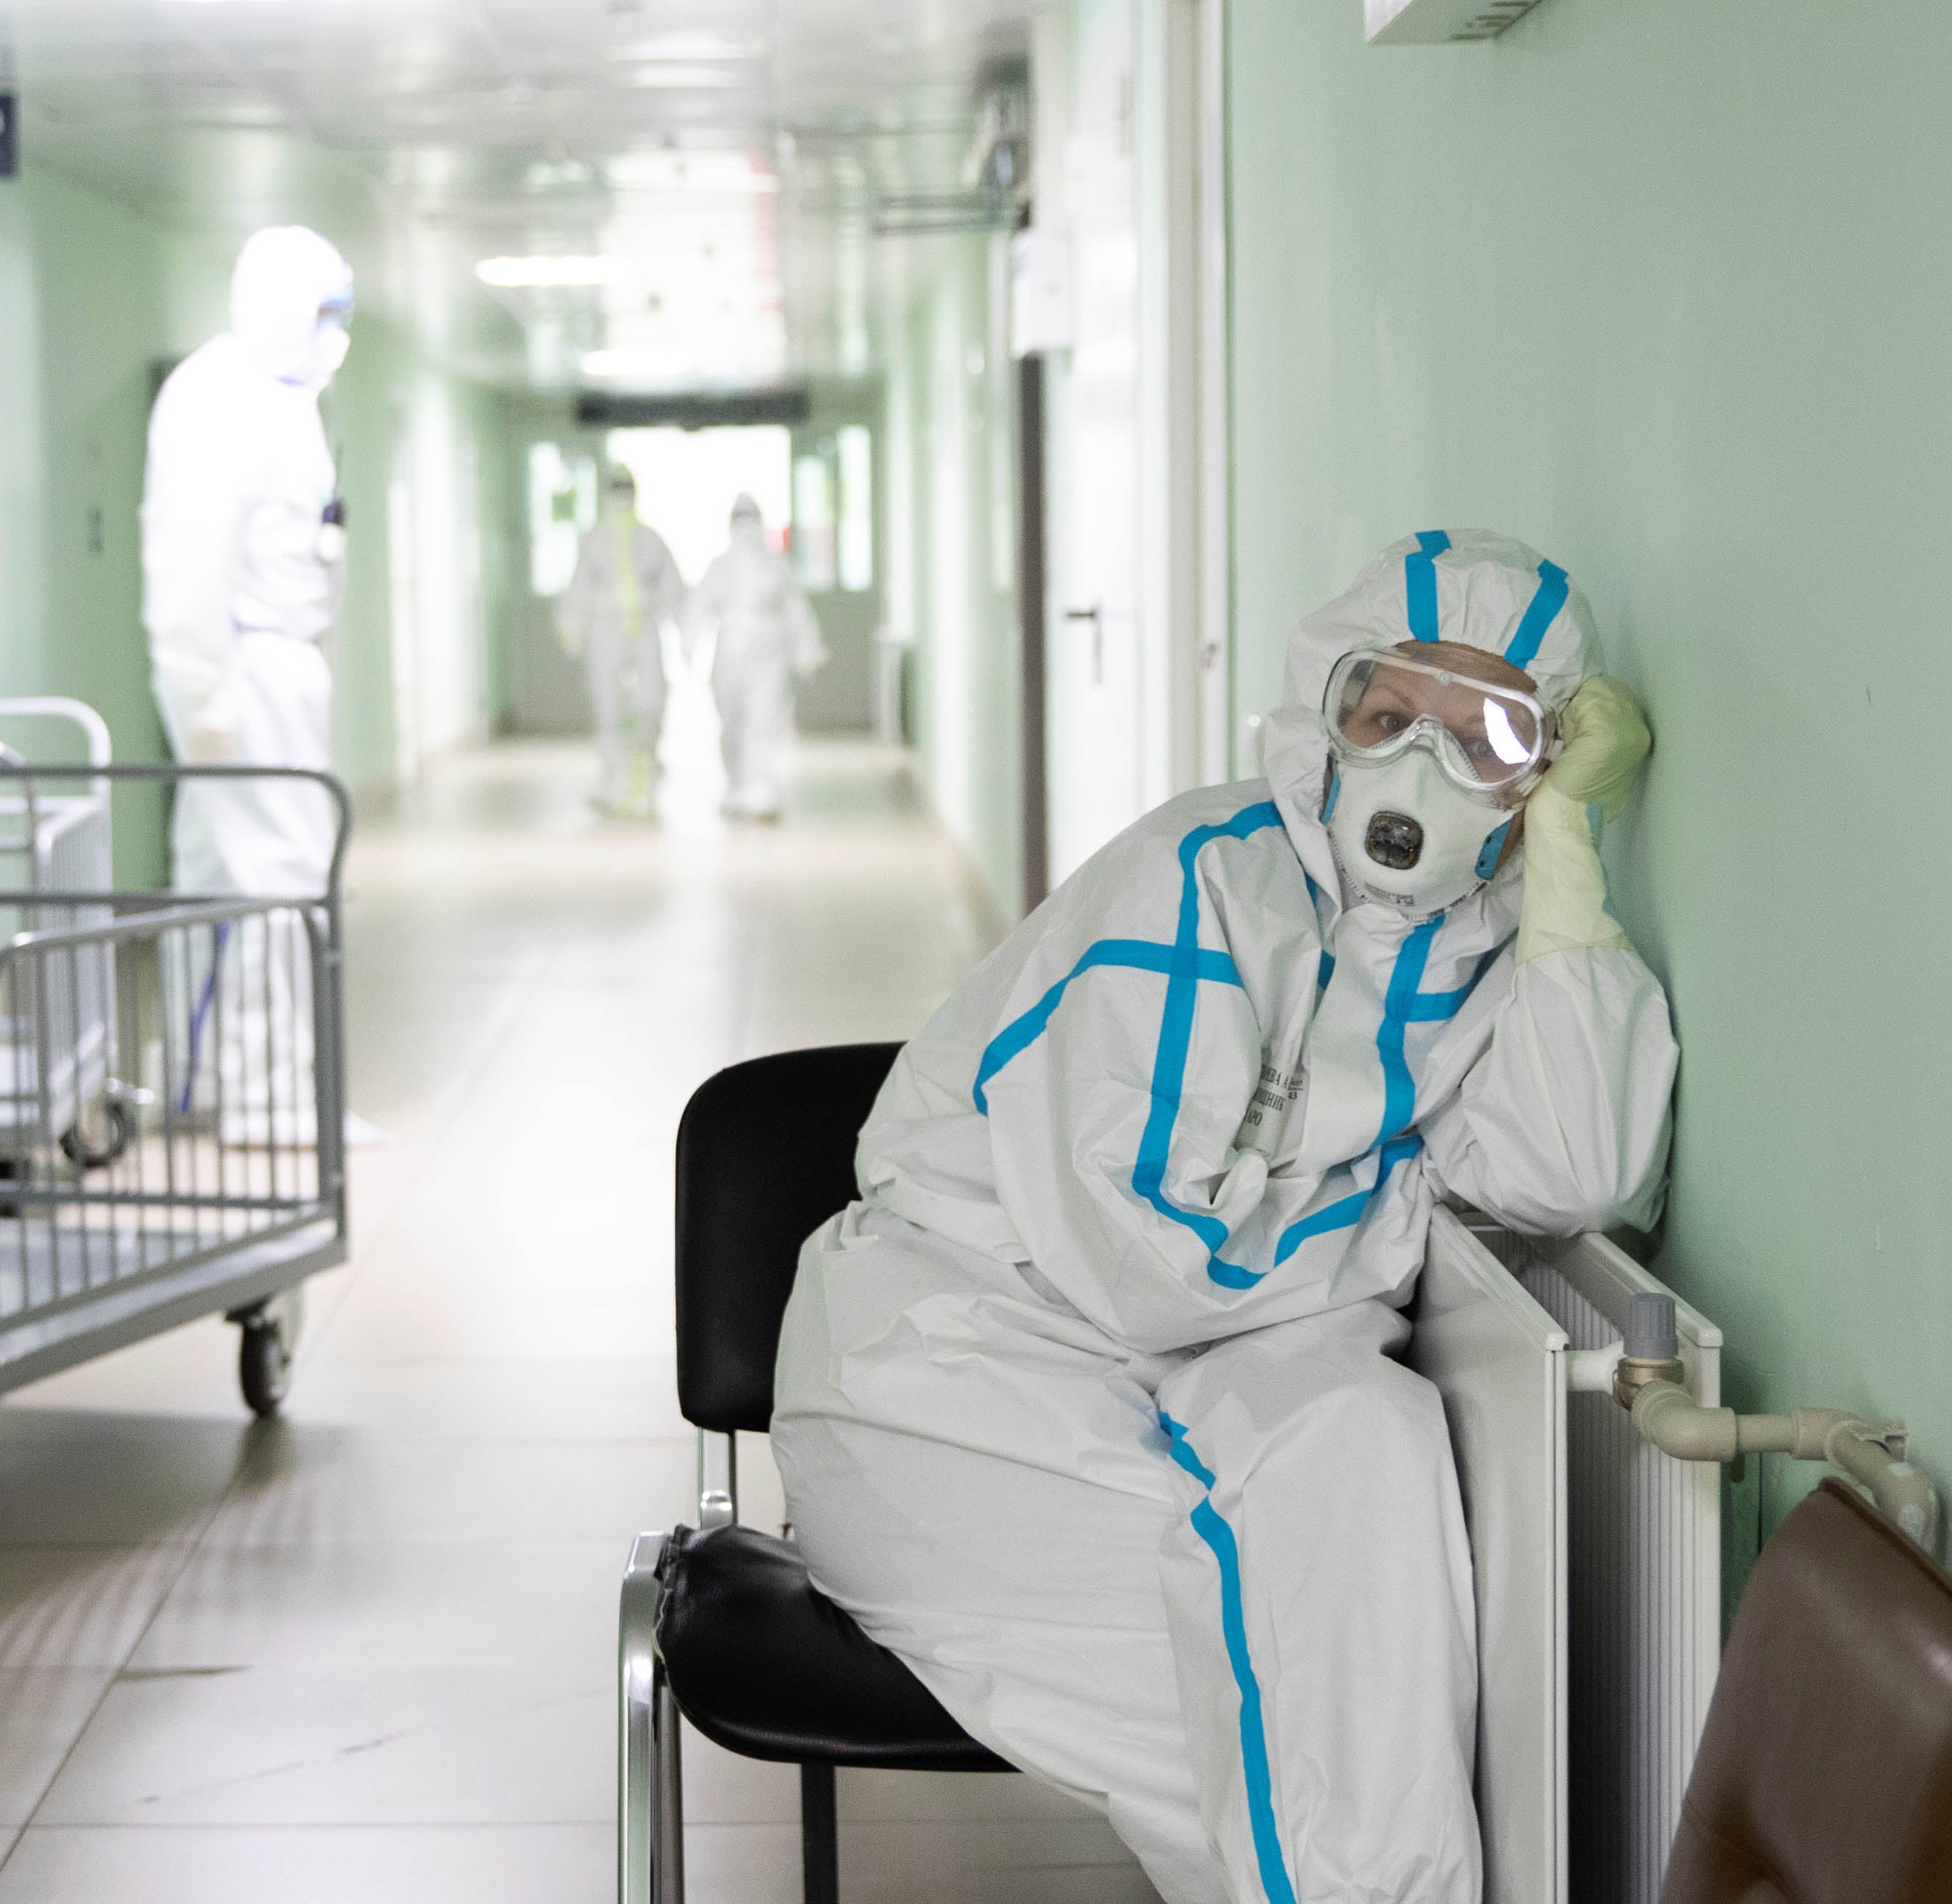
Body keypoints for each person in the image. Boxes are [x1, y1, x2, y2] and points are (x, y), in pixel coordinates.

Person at [772, 530, 1675, 1903]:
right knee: (1307, 1678)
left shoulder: (1484, 932)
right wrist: (1397, 1204)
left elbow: (1574, 1172)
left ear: (1537, 763)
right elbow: (1150, 1264)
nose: (1417, 766)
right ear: (1324, 708)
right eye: (1387, 714)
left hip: (1212, 1363)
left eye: (1483, 735)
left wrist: (1560, 871)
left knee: (1367, 1464)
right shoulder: (1195, 875)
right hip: (957, 1361)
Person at [141, 226, 355, 1145]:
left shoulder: (284, 398)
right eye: (323, 315)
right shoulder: (216, 395)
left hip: (274, 662)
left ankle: (212, 1085)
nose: (335, 335)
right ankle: (268, 1102)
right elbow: (188, 554)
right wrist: (205, 689)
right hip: (238, 666)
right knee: (277, 881)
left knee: (220, 875)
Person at [687, 493, 826, 820]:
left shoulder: (777, 567)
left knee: (764, 721)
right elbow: (699, 605)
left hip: (768, 656)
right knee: (732, 722)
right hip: (729, 658)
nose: (746, 529)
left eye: (752, 520)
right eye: (740, 520)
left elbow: (795, 609)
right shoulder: (719, 567)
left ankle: (761, 788)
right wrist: (689, 640)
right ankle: (736, 784)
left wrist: (806, 647)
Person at [557, 465, 685, 817]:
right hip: (605, 628)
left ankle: (646, 764)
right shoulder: (594, 540)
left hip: (643, 625)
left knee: (652, 699)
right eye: (615, 488)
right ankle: (612, 776)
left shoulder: (650, 540)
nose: (621, 495)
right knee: (608, 702)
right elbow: (580, 584)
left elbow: (673, 586)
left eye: (625, 488)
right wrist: (573, 624)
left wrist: (684, 623)